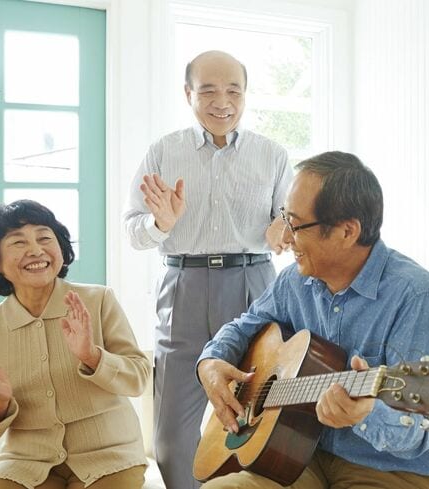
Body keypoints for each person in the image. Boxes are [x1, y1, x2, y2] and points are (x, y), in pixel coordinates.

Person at [197, 151, 429, 489]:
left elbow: (422, 431)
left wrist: (366, 414)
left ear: (347, 232)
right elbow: (246, 325)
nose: (285, 237)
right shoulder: (294, 281)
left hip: (391, 468)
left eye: (296, 224)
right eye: (284, 219)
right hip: (302, 455)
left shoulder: (416, 297)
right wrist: (211, 362)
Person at [122, 50, 292, 489]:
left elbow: (288, 221)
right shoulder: (163, 151)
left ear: (245, 95)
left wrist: (282, 230)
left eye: (233, 90)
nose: (223, 101)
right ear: (188, 94)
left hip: (253, 282)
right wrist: (161, 223)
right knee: (171, 436)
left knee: (256, 413)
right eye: (209, 90)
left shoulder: (272, 155)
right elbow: (134, 232)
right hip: (183, 285)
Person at [0, 200, 149, 489]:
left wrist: (93, 356)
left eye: (45, 238)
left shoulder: (98, 301)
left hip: (109, 452)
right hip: (26, 461)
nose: (35, 250)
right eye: (18, 242)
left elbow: (138, 379)